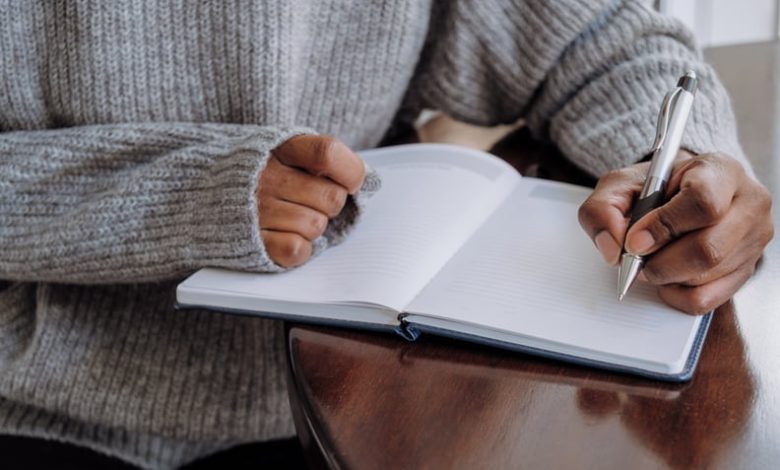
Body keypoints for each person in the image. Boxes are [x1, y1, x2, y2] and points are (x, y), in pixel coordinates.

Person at [0, 0, 773, 468]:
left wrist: (686, 162)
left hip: (373, 383)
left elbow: (599, 39)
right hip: (43, 399)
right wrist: (183, 194)